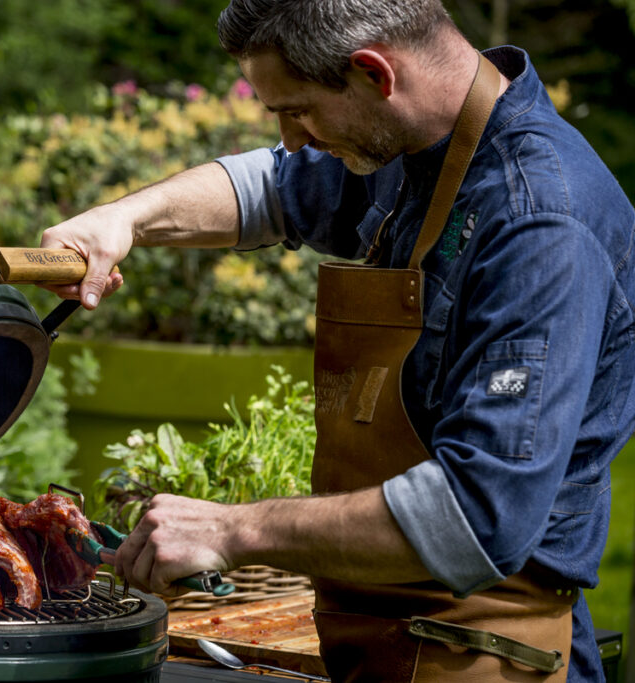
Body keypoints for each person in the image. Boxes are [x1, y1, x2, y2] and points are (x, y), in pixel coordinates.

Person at [40, 1, 635, 681]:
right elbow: (271, 188)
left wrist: (233, 529)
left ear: (374, 73)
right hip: (384, 629)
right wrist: (124, 219)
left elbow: (478, 515)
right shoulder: (415, 144)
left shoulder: (540, 225)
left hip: (482, 646)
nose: (292, 138)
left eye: (297, 111)